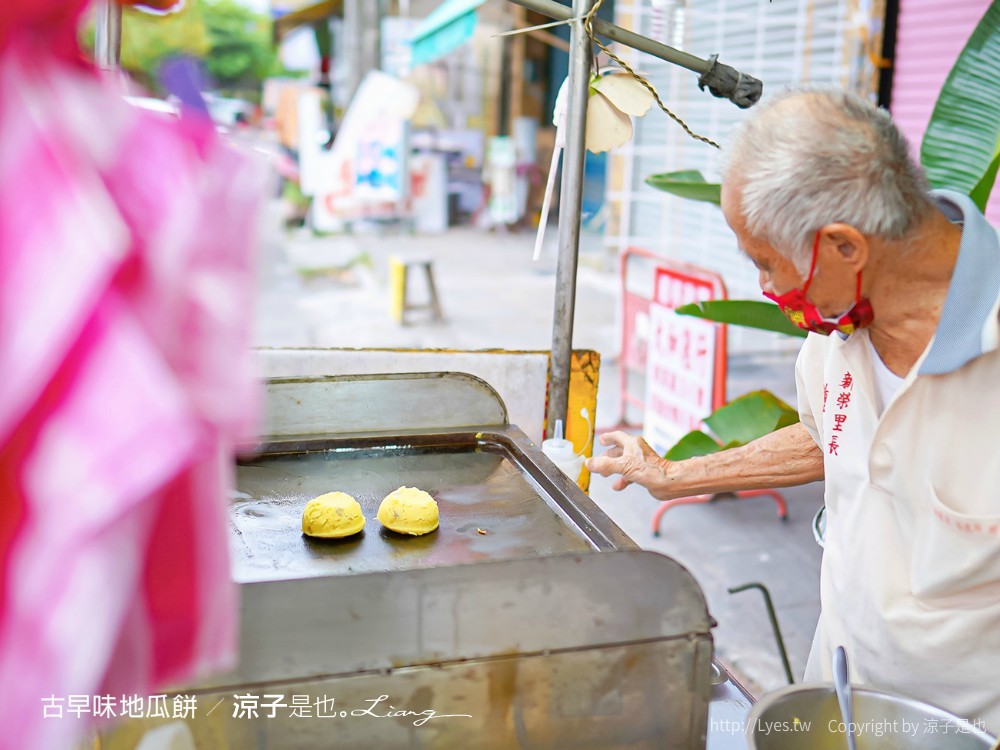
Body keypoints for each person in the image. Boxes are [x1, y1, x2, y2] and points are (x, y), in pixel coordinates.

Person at [587, 88, 1000, 731]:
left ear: (844, 247)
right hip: (836, 695)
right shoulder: (834, 334)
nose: (765, 289)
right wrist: (670, 474)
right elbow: (825, 442)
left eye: (764, 263)